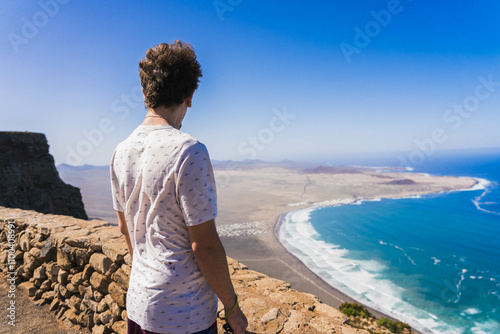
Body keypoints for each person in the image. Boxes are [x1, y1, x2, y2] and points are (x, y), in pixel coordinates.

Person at [110, 40, 248, 334]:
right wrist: (232, 308)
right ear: (190, 96)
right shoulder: (189, 151)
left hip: (139, 302)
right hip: (184, 315)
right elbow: (205, 246)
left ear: (146, 93)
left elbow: (125, 229)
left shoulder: (120, 151)